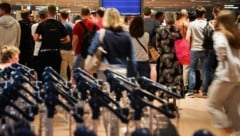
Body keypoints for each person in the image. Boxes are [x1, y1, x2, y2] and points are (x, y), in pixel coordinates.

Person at [208, 10, 240, 136]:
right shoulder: (236, 34)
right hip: (239, 75)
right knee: (232, 107)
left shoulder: (219, 34)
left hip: (226, 74)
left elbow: (221, 51)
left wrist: (222, 57)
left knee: (213, 104)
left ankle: (226, 127)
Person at [88, 8, 137, 77]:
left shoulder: (101, 34)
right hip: (122, 70)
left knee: (105, 87)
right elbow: (132, 59)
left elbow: (91, 51)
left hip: (104, 71)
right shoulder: (127, 35)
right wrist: (132, 76)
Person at [34, 5, 70, 80]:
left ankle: (43, 90)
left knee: (43, 74)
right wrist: (59, 41)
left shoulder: (42, 24)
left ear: (47, 13)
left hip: (44, 53)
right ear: (55, 13)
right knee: (55, 75)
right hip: (56, 53)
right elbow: (68, 39)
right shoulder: (59, 24)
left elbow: (35, 38)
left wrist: (43, 40)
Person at [156, 12, 183, 98]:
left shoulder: (160, 30)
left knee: (165, 79)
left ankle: (165, 97)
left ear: (165, 19)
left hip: (164, 58)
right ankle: (175, 98)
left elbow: (157, 45)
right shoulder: (178, 30)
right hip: (176, 59)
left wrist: (162, 53)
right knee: (176, 79)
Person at [185, 6, 208, 97]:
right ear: (204, 14)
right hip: (205, 49)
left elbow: (187, 38)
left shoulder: (192, 24)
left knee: (192, 69)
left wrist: (187, 49)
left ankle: (191, 90)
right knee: (205, 70)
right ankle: (205, 90)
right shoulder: (207, 23)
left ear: (196, 14)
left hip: (194, 49)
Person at [142, 7, 160, 81]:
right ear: (150, 13)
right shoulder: (156, 23)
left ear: (143, 13)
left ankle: (143, 85)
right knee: (153, 67)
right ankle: (154, 85)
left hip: (142, 48)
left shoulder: (140, 22)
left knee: (143, 67)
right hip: (152, 48)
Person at [175, 9, 190, 93]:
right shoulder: (187, 23)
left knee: (178, 66)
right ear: (186, 15)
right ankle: (185, 86)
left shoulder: (176, 22)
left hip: (177, 45)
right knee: (186, 67)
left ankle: (178, 84)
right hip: (185, 45)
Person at [59, 10, 74, 81]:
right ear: (68, 16)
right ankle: (73, 86)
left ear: (60, 16)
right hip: (72, 50)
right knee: (73, 71)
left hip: (62, 50)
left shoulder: (59, 26)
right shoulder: (73, 25)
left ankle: (63, 88)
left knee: (63, 72)